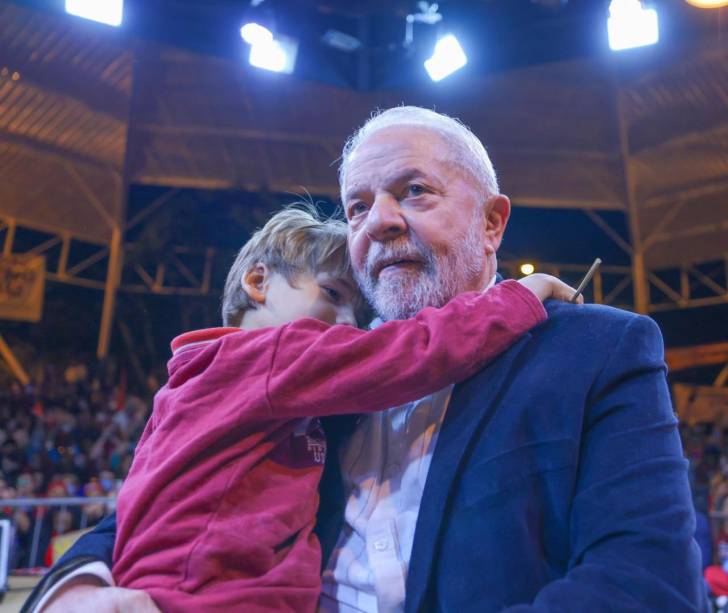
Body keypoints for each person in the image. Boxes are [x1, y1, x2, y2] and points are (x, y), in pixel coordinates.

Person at [25, 107, 706, 612]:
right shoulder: (313, 361)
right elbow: (150, 505)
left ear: (493, 222)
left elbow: (646, 583)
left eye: (414, 191)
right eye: (356, 206)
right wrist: (74, 588)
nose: (377, 219)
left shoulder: (600, 349)